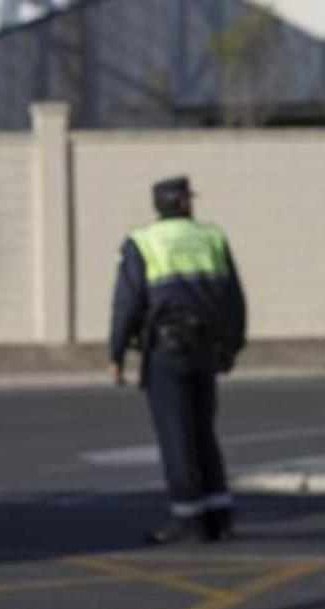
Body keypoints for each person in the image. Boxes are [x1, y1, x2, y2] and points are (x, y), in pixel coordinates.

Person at [109, 176, 246, 545]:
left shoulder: (143, 242)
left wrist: (116, 354)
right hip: (205, 350)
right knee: (204, 433)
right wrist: (231, 347)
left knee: (176, 435)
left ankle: (188, 518)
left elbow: (127, 304)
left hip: (165, 351)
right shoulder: (211, 237)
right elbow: (233, 298)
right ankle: (220, 517)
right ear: (184, 203)